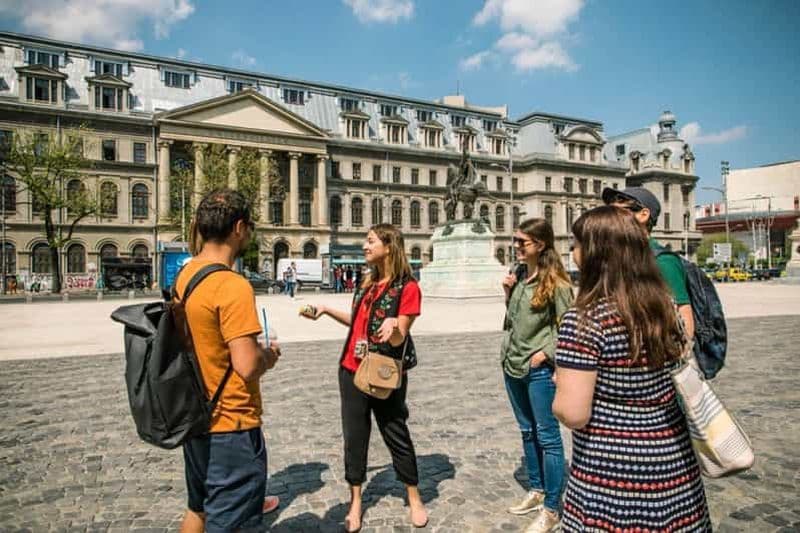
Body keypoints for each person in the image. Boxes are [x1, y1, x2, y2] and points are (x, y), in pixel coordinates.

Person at [552, 205, 711, 532]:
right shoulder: (664, 307)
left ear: (597, 252)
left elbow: (573, 413)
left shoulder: (585, 319)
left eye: (577, 244)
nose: (573, 252)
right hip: (673, 465)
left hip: (612, 475)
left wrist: (561, 385)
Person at [301, 224, 428, 532]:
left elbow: (400, 336)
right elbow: (358, 320)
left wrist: (395, 328)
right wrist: (327, 310)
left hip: (384, 373)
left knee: (395, 431)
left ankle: (413, 496)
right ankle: (355, 500)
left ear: (389, 246)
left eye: (371, 241)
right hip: (351, 369)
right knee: (354, 436)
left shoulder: (407, 287)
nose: (365, 246)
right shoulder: (366, 283)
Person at [175, 189, 282, 533]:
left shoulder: (186, 276)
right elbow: (246, 365)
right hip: (231, 424)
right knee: (230, 521)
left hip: (196, 417)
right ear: (239, 227)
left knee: (198, 509)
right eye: (249, 227)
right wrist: (269, 355)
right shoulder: (232, 285)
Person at [500, 218, 573, 533]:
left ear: (540, 245)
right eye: (515, 240)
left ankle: (552, 508)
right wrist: (507, 293)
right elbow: (514, 320)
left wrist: (545, 355)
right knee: (527, 431)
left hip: (538, 369)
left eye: (522, 242)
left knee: (548, 437)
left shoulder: (556, 282)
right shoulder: (518, 275)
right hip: (512, 363)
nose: (516, 246)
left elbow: (569, 327)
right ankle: (537, 488)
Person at [603, 187, 695, 339]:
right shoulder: (617, 257)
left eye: (618, 213)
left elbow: (683, 317)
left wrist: (680, 356)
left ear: (643, 214)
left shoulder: (662, 261)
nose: (610, 219)